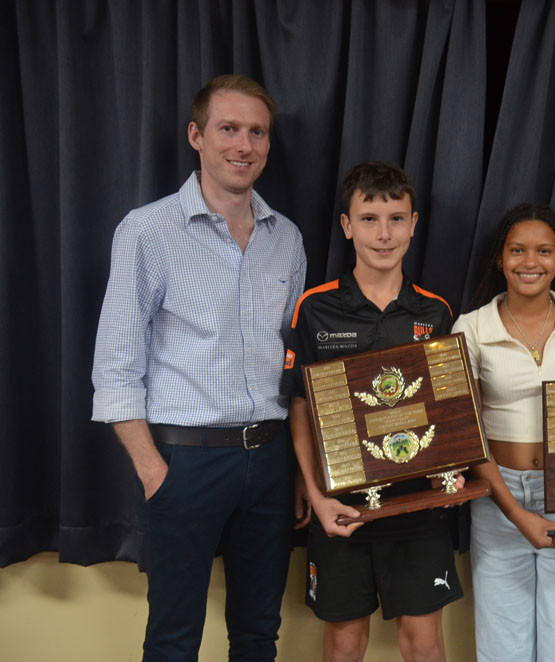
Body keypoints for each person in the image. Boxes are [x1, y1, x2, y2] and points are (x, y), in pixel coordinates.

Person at [91, 74, 307, 661]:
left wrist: (294, 465)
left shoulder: (285, 237)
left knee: (259, 633)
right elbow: (115, 363)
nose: (244, 145)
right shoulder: (147, 230)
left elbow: (292, 358)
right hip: (185, 463)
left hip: (267, 460)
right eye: (229, 129)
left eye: (256, 132)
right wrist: (152, 470)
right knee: (173, 638)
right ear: (197, 135)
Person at [283, 161, 462, 662]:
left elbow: (449, 410)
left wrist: (449, 479)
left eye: (396, 218)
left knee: (424, 643)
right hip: (341, 505)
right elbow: (300, 406)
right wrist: (316, 495)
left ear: (414, 222)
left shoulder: (435, 311)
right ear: (346, 225)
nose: (384, 234)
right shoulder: (314, 308)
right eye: (368, 219)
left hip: (416, 507)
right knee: (343, 643)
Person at [452, 203, 555, 662]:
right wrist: (516, 512)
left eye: (543, 251)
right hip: (497, 497)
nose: (529, 262)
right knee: (502, 649)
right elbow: (468, 433)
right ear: (500, 258)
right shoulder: (471, 328)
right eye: (517, 250)